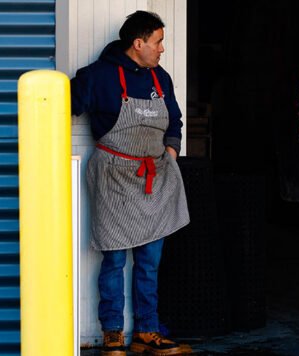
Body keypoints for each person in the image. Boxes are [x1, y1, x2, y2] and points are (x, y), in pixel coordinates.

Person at [71, 11, 191, 356]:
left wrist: (170, 151)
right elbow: (59, 107)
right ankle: (112, 334)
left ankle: (147, 332)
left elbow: (175, 120)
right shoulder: (97, 76)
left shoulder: (159, 78)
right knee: (113, 261)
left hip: (153, 177)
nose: (162, 49)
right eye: (158, 41)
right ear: (138, 44)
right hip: (113, 177)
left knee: (149, 261)